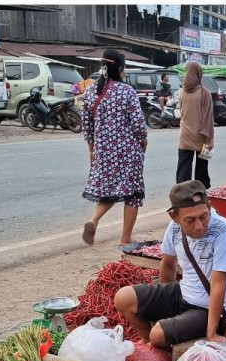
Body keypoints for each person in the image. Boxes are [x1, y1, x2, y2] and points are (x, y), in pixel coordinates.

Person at [114, 180, 226, 347]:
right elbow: (168, 264)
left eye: (203, 216)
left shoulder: (223, 231)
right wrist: (162, 307)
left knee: (158, 334)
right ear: (174, 216)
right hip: (184, 294)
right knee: (123, 298)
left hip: (209, 310)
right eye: (190, 220)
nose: (199, 226)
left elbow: (219, 283)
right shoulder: (174, 228)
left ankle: (156, 343)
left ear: (209, 207)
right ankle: (150, 344)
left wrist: (211, 334)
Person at [81, 49, 147, 247]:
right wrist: (143, 142)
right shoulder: (126, 91)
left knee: (108, 191)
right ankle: (125, 239)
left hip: (103, 151)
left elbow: (87, 126)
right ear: (118, 68)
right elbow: (138, 125)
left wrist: (92, 151)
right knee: (133, 194)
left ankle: (93, 221)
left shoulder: (91, 91)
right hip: (127, 152)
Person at [176, 61, 214, 189]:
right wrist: (210, 140)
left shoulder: (181, 92)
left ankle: (182, 194)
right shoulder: (205, 93)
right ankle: (200, 194)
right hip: (201, 136)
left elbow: (181, 112)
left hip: (185, 135)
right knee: (202, 168)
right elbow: (209, 118)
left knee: (183, 167)